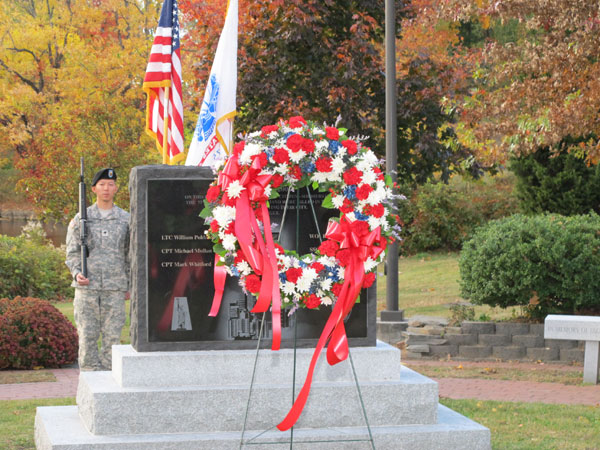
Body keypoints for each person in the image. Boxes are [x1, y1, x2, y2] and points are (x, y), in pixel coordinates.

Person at [65, 168, 130, 371]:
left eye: (110, 185)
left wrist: (129, 284)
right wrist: (77, 273)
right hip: (87, 288)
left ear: (116, 188)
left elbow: (131, 255)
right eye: (102, 184)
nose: (106, 189)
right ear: (93, 189)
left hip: (115, 287)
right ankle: (89, 385)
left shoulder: (126, 219)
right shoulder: (80, 220)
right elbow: (72, 253)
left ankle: (111, 388)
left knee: (112, 340)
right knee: (87, 338)